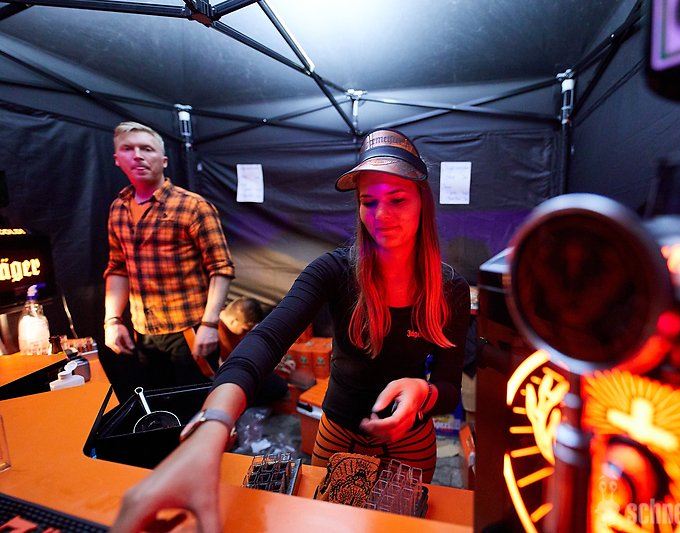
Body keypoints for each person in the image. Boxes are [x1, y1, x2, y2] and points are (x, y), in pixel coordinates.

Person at [111, 128, 470, 533]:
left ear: (423, 201)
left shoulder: (450, 288)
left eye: (397, 199)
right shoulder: (333, 270)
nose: (381, 215)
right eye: (368, 201)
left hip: (412, 441)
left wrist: (425, 393)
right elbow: (266, 339)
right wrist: (213, 424)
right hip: (338, 433)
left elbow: (449, 387)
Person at [103, 121, 235, 395]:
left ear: (163, 160)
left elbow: (221, 268)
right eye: (128, 149)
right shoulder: (118, 209)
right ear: (117, 159)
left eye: (146, 149)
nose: (137, 155)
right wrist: (112, 321)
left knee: (198, 404)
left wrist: (210, 324)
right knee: (159, 405)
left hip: (188, 330)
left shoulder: (193, 206)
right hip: (144, 333)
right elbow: (117, 268)